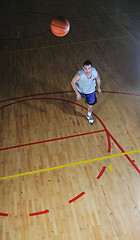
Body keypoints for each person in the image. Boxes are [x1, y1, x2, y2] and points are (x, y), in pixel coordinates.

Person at [71, 60, 101, 124]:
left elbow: (98, 79)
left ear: (91, 68)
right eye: (85, 68)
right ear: (83, 68)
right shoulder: (79, 75)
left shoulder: (94, 72)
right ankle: (80, 95)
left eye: (89, 68)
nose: (87, 70)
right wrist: (77, 93)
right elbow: (72, 83)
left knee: (91, 105)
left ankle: (89, 115)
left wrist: (98, 88)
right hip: (81, 90)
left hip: (90, 91)